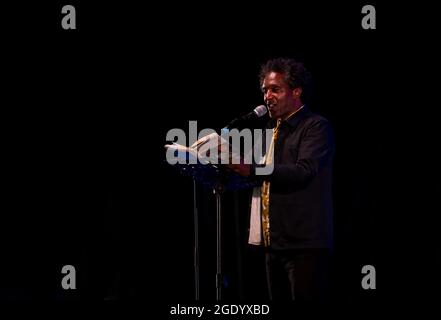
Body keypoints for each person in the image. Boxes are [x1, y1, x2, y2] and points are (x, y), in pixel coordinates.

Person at [228, 57, 335, 302]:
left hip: (304, 245)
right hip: (272, 244)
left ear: (296, 91)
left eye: (276, 89)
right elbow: (258, 175)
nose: (268, 96)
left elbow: (303, 171)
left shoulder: (315, 126)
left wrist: (252, 169)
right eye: (265, 90)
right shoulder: (269, 129)